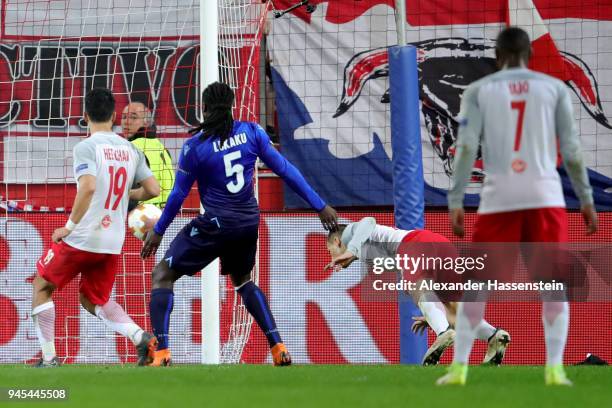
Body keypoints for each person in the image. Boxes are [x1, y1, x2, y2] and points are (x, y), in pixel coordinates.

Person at [437, 27, 597, 386]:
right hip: (545, 196)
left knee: (477, 284)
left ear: (497, 57)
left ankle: (459, 369)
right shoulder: (554, 89)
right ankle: (555, 370)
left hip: (499, 199)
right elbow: (571, 150)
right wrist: (586, 199)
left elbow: (464, 149)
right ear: (530, 56)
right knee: (553, 285)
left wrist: (456, 199)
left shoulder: (479, 91)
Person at [140, 82, 338, 366]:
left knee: (162, 274)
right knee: (243, 281)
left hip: (217, 223)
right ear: (231, 105)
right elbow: (285, 170)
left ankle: (161, 353)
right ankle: (278, 346)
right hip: (248, 222)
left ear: (204, 108)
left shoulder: (196, 146)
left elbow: (178, 195)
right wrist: (320, 205)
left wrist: (158, 232)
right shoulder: (252, 132)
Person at [31, 88, 161, 367]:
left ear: (85, 116)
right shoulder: (131, 149)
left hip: (83, 238)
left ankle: (49, 357)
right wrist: (128, 194)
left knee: (42, 284)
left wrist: (68, 226)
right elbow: (152, 189)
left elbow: (88, 187)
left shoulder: (86, 147)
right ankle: (141, 338)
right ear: (114, 116)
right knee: (93, 299)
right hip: (113, 241)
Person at [325, 217, 509, 366]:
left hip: (416, 243)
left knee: (416, 288)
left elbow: (368, 221)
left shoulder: (351, 234)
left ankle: (442, 332)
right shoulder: (369, 255)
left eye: (330, 250)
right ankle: (494, 335)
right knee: (453, 312)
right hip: (441, 246)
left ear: (336, 240)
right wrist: (432, 313)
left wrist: (351, 251)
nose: (332, 256)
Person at [121, 101, 175, 207]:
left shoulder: (131, 148)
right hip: (164, 215)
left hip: (139, 215)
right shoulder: (162, 148)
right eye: (123, 117)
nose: (126, 122)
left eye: (133, 117)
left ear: (146, 123)